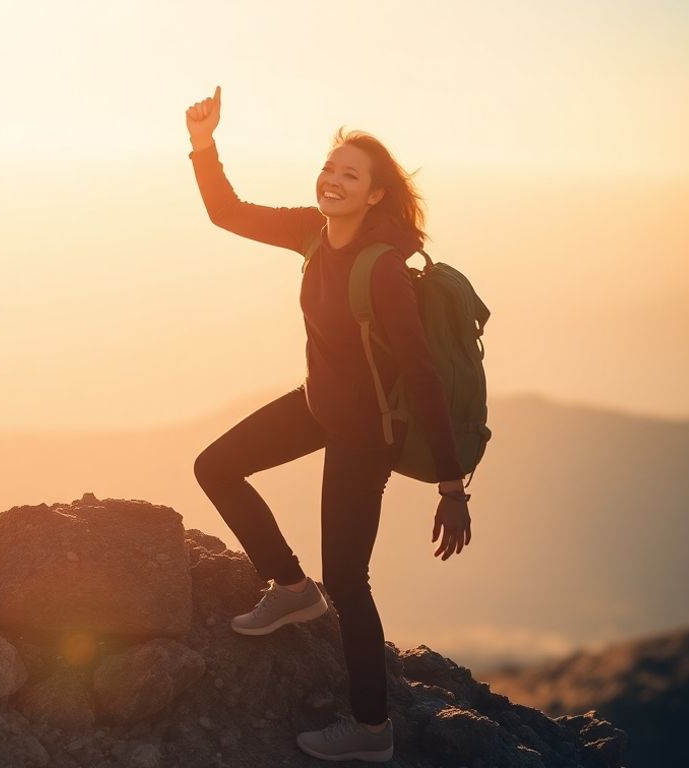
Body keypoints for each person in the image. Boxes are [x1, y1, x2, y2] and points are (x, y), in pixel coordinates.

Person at [184, 85, 472, 764]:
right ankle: (288, 588)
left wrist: (453, 488)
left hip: (366, 434)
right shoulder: (311, 231)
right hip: (319, 404)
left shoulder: (383, 271)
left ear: (375, 195)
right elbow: (226, 213)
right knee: (215, 466)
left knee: (348, 582)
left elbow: (424, 374)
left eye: (351, 174)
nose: (333, 179)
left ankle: (372, 731)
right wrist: (203, 143)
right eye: (329, 167)